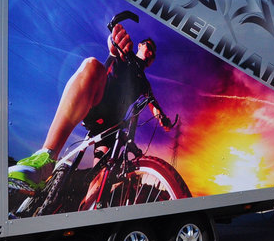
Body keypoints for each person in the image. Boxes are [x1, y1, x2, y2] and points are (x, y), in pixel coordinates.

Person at [9, 19, 173, 192]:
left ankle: (90, 207)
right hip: (98, 104)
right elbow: (114, 45)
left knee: (101, 180)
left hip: (112, 127)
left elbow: (153, 104)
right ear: (140, 45)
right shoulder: (126, 53)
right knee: (92, 65)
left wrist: (163, 118)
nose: (150, 53)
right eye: (148, 47)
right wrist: (114, 42)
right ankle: (46, 157)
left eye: (153, 54)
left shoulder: (145, 83)